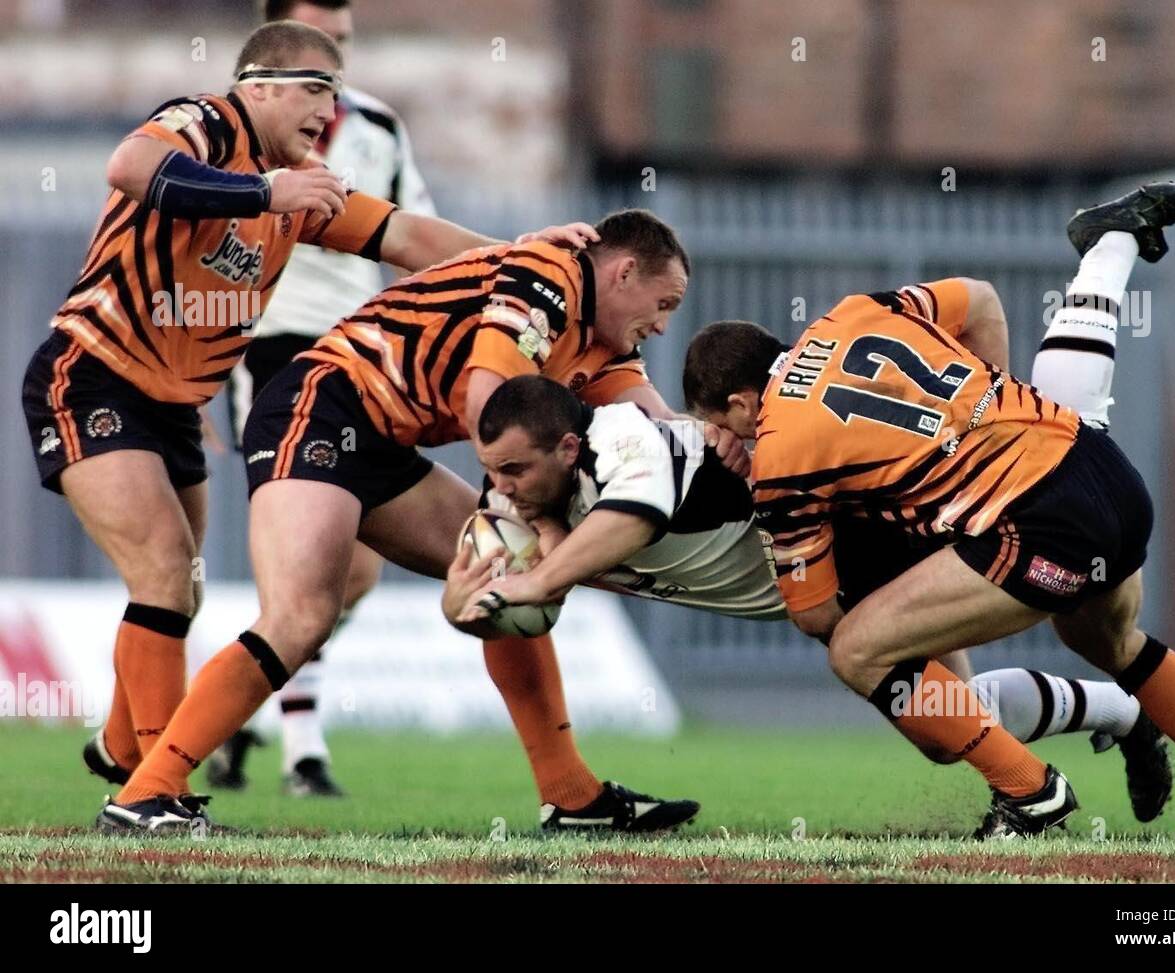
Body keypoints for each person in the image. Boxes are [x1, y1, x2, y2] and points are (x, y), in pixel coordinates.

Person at [27, 20, 591, 803]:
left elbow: (404, 235)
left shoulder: (302, 179)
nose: (328, 113)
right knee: (165, 570)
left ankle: (126, 750)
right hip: (93, 374)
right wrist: (263, 191)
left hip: (178, 404)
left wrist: (528, 255)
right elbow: (128, 165)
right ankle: (153, 794)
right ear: (258, 86)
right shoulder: (210, 122)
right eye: (316, 90)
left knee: (181, 585)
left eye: (335, 93)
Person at [96, 208, 743, 833]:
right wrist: (536, 518)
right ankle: (149, 794)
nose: (664, 326)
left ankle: (572, 798)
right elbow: (486, 404)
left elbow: (662, 429)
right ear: (624, 271)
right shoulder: (551, 275)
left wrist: (729, 443)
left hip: (381, 440)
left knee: (507, 567)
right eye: (665, 304)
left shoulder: (601, 342)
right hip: (323, 405)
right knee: (303, 613)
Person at [678, 184, 1175, 839]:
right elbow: (982, 298)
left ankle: (1030, 791)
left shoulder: (780, 454)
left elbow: (814, 615)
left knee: (856, 652)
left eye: (726, 428)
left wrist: (847, 544)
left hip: (1040, 522)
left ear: (743, 403)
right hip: (1098, 466)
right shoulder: (852, 314)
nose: (735, 442)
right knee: (1110, 640)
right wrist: (981, 404)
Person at [449, 374, 1170, 822]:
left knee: (914, 690)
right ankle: (1122, 714)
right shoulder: (522, 495)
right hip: (838, 571)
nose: (499, 488)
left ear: (568, 449)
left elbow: (633, 514)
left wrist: (539, 578)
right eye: (490, 472)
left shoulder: (621, 433)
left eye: (513, 469)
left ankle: (1034, 791)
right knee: (953, 721)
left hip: (870, 541)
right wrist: (462, 602)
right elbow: (500, 600)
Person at [207, 0, 441, 800]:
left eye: (340, 49)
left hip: (362, 349)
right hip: (271, 347)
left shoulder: (376, 126)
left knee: (355, 575)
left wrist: (518, 267)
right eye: (314, 57)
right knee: (307, 574)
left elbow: (416, 236)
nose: (331, 75)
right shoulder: (219, 137)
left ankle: (239, 713)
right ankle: (300, 749)